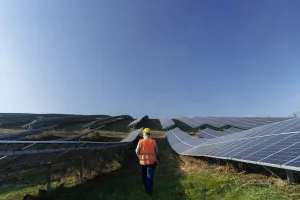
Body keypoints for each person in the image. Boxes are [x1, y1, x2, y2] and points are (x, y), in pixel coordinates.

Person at [135, 128, 158, 196]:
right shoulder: (153, 141)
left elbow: (136, 151)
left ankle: (146, 188)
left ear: (143, 134)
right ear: (150, 134)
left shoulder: (140, 141)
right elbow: (156, 151)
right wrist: (154, 157)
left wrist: (140, 157)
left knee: (144, 176)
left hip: (143, 163)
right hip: (151, 163)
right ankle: (149, 191)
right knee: (150, 176)